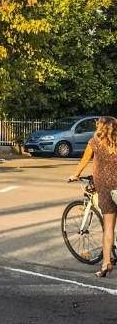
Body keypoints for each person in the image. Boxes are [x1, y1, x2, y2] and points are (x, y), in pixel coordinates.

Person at [70, 116, 117, 278]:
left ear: (100, 127)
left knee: (109, 227)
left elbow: (84, 160)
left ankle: (106, 263)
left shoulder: (95, 142)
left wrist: (75, 175)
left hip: (105, 189)